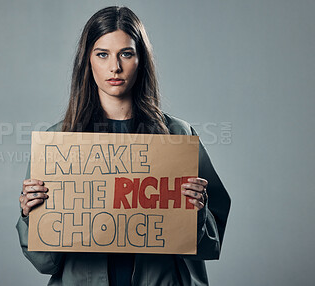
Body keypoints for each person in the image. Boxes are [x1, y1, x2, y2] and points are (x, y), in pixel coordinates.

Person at [16, 6, 231, 286]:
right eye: (102, 54)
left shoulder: (178, 136)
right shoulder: (59, 143)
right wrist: (32, 217)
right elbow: (45, 263)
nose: (114, 67)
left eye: (126, 54)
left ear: (141, 59)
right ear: (87, 60)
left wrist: (197, 212)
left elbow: (209, 246)